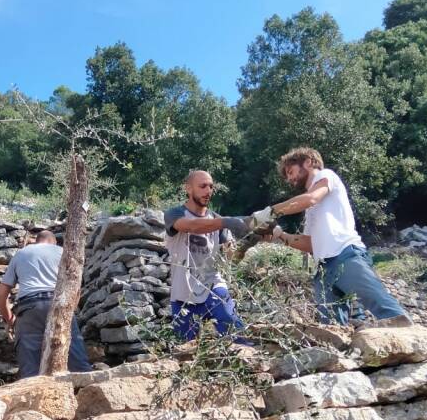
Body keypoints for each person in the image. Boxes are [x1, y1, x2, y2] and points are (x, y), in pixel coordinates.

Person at [253, 147, 411, 327]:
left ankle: (419, 347)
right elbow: (310, 244)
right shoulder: (311, 210)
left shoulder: (325, 176)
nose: (289, 179)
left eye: (291, 171)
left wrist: (272, 212)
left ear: (308, 162)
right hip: (324, 268)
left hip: (345, 254)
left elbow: (311, 198)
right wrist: (280, 236)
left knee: (388, 312)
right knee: (332, 330)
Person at [164, 169, 252, 343]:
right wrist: (227, 221)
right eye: (203, 186)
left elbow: (231, 258)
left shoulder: (217, 220)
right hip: (183, 292)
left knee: (236, 334)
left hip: (213, 286)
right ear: (188, 189)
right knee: (187, 349)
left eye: (211, 187)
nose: (208, 191)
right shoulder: (174, 214)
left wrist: (245, 245)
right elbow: (192, 226)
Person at [0, 230, 94, 378]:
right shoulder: (63, 252)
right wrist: (69, 311)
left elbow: (1, 295)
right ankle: (89, 392)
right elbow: (75, 288)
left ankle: (31, 397)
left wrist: (10, 319)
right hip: (60, 303)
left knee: (30, 370)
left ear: (37, 241)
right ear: (53, 241)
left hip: (29, 308)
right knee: (78, 364)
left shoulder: (21, 254)